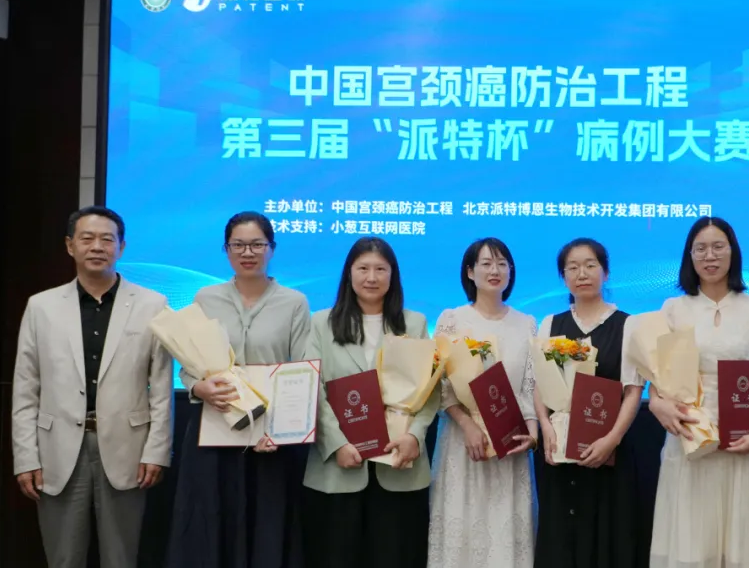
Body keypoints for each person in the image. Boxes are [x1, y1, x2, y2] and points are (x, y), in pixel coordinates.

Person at [11, 206, 173, 568]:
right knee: (63, 558)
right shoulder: (41, 306)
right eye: (87, 238)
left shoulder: (153, 304)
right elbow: (25, 388)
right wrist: (25, 457)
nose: (97, 246)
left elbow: (162, 388)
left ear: (121, 247)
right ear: (70, 246)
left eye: (106, 239)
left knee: (121, 558)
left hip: (128, 448)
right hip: (56, 449)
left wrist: (156, 452)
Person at [626, 216, 749, 568]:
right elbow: (658, 378)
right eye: (700, 249)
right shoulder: (673, 309)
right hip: (690, 442)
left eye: (718, 247)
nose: (709, 256)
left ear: (733, 252)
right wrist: (657, 406)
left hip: (743, 443)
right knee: (691, 545)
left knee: (741, 545)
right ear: (689, 256)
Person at [166, 211, 312, 568]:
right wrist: (198, 387)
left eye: (257, 244)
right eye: (238, 245)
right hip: (215, 430)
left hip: (272, 440)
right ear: (226, 250)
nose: (248, 253)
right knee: (211, 527)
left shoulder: (294, 302)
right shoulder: (206, 298)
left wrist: (280, 431)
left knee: (267, 529)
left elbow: (301, 371)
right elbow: (189, 364)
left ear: (271, 248)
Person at [301, 236, 438, 568]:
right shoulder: (321, 323)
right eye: (363, 268)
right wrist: (336, 444)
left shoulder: (415, 323)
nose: (372, 277)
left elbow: (431, 388)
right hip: (338, 467)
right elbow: (311, 388)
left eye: (380, 269)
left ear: (393, 275)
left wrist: (414, 436)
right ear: (349, 273)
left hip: (398, 466)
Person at [427, 237, 539, 568]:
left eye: (502, 264)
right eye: (486, 263)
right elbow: (441, 386)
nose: (495, 271)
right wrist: (468, 425)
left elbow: (530, 386)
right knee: (462, 530)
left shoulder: (527, 323)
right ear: (470, 272)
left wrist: (532, 434)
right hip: (464, 444)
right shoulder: (452, 319)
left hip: (511, 445)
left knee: (506, 534)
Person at [533, 238, 641, 568]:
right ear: (564, 277)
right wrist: (546, 428)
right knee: (560, 538)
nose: (582, 274)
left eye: (591, 265)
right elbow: (538, 384)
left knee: (606, 536)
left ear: (605, 273)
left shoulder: (628, 324)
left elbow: (633, 390)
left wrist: (612, 440)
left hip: (608, 452)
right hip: (559, 450)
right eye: (573, 267)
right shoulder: (550, 324)